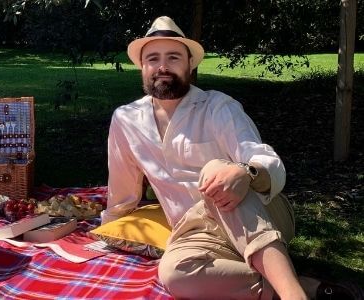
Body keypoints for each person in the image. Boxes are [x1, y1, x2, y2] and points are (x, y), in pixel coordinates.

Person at [104, 16, 357, 299]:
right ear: (142, 67)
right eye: (153, 59)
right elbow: (122, 192)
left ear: (190, 64)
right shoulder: (126, 120)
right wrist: (106, 228)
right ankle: (306, 286)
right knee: (174, 274)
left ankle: (292, 295)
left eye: (173, 57)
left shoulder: (218, 107)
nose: (162, 67)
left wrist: (245, 173)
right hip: (198, 234)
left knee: (217, 175)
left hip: (260, 213)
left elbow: (267, 162)